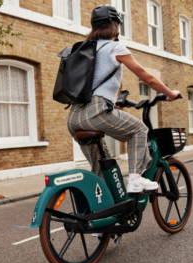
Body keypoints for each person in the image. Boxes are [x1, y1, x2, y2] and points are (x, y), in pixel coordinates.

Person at [68, 4, 180, 193]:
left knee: (102, 168)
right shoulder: (115, 47)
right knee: (139, 130)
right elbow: (148, 78)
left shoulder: (83, 49)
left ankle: (102, 210)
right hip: (96, 112)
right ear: (114, 25)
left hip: (74, 117)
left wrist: (111, 104)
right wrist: (170, 94)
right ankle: (135, 179)